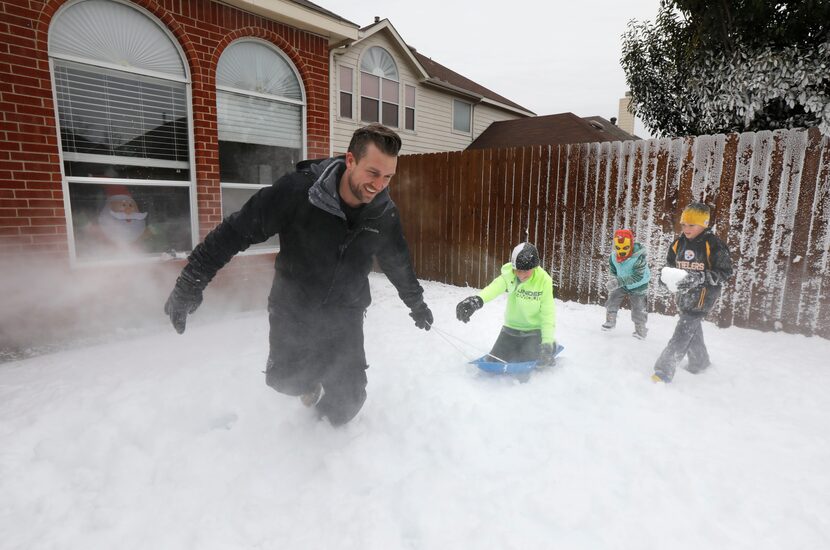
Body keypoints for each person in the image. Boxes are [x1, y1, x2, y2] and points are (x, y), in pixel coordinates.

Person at [164, 124, 433, 425]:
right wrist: (189, 283)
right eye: (373, 173)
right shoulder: (297, 192)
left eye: (388, 177)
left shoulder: (384, 213)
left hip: (346, 313)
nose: (379, 185)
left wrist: (416, 303)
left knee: (348, 401)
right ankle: (307, 380)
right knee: (286, 381)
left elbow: (397, 261)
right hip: (294, 306)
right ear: (351, 160)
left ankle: (318, 434)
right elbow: (234, 232)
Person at [652, 202, 732, 383]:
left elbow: (725, 273)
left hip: (703, 297)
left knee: (683, 331)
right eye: (684, 224)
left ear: (704, 224)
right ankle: (700, 362)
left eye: (691, 225)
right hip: (683, 296)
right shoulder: (677, 244)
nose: (686, 229)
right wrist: (665, 278)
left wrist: (699, 277)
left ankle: (664, 370)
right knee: (690, 328)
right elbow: (670, 267)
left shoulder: (714, 245)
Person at [455, 242, 557, 366]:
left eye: (526, 271)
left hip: (534, 331)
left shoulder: (544, 281)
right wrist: (477, 300)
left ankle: (552, 344)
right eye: (518, 270)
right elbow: (495, 287)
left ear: (535, 267)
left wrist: (547, 344)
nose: (522, 275)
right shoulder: (510, 274)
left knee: (526, 363)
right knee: (494, 362)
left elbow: (548, 313)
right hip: (511, 329)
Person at [602, 228, 650, 339]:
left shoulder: (639, 258)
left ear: (631, 245)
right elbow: (613, 269)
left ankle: (640, 328)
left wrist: (618, 282)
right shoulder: (613, 257)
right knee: (612, 298)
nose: (622, 251)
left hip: (639, 285)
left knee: (638, 308)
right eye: (618, 248)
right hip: (622, 283)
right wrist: (614, 279)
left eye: (625, 248)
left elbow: (638, 277)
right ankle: (610, 320)